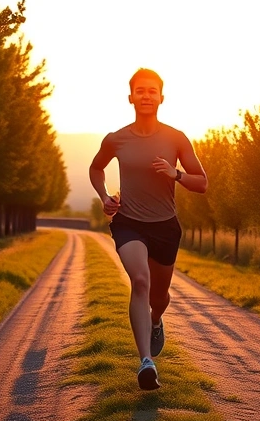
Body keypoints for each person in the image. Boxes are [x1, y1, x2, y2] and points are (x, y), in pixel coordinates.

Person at [88, 68, 208, 390]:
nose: (146, 96)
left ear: (161, 98)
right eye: (140, 91)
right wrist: (104, 196)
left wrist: (176, 173)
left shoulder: (176, 138)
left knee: (159, 295)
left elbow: (202, 183)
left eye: (152, 91)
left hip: (165, 226)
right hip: (129, 222)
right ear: (130, 97)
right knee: (140, 281)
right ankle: (146, 362)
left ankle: (156, 320)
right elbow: (96, 167)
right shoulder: (116, 139)